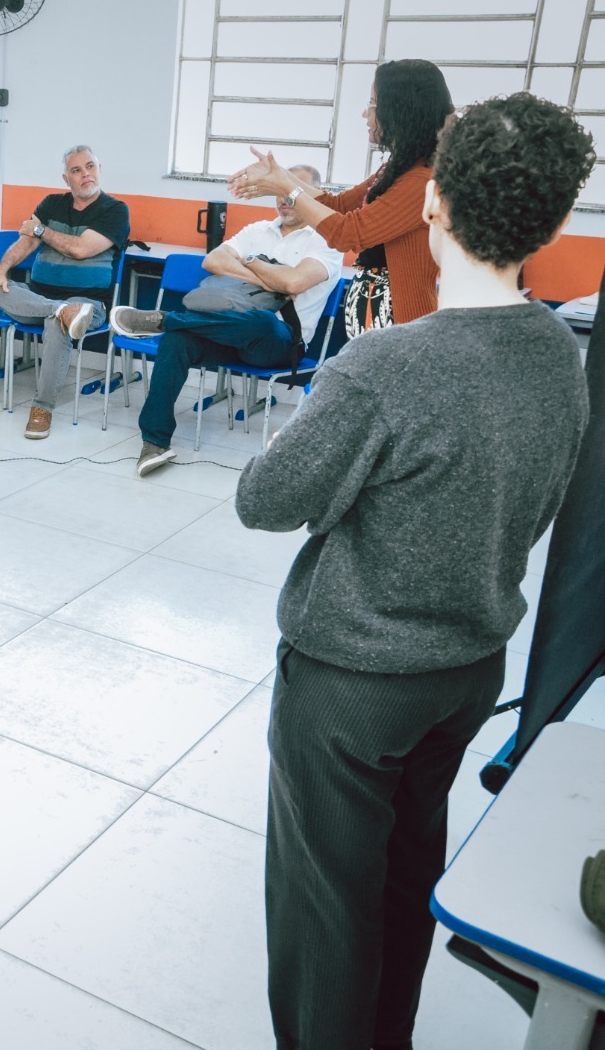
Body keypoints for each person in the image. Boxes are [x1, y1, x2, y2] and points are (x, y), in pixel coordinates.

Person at [236, 93, 594, 1050]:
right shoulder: (563, 354)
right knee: (404, 877)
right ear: (556, 224)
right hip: (468, 671)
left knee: (325, 913)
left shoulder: (384, 366)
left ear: (432, 203)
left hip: (353, 684)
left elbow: (265, 502)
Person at [110, 164, 342, 476]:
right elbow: (213, 260)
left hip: (279, 343)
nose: (286, 199)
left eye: (295, 193)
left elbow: (294, 284)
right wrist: (261, 269)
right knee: (177, 341)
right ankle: (155, 441)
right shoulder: (257, 230)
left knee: (261, 320)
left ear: (315, 198)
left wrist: (258, 270)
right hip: (226, 332)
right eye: (282, 191)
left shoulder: (325, 241)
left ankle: (168, 319)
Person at [229, 58, 453, 330]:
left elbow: (350, 233)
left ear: (399, 111)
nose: (365, 114)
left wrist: (287, 188)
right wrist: (281, 177)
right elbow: (339, 205)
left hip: (401, 323)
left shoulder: (420, 180)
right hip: (375, 318)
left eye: (372, 104)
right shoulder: (397, 167)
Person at [0, 145, 130, 439]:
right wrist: (1, 270)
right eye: (77, 170)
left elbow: (80, 249)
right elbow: (25, 242)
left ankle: (42, 408)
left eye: (90, 167)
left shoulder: (115, 210)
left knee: (57, 323)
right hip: (40, 297)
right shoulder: (50, 203)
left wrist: (40, 230)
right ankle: (57, 308)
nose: (86, 174)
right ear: (67, 179)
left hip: (88, 303)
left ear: (99, 169)